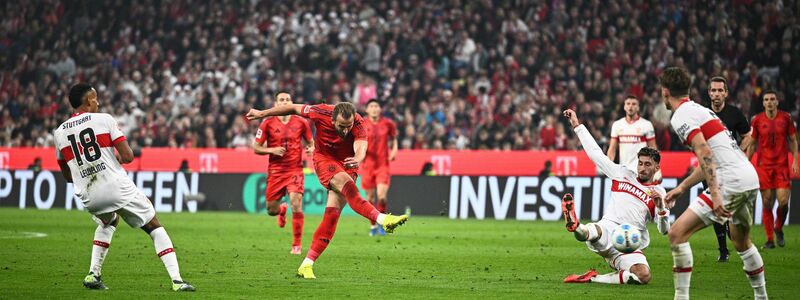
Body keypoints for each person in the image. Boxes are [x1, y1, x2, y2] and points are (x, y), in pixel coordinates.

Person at [54, 83, 194, 291]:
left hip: (89, 195)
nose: (98, 102)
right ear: (88, 101)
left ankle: (93, 274)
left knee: (108, 221)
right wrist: (114, 158)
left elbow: (67, 174)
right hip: (116, 187)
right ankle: (177, 280)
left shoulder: (59, 133)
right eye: (95, 98)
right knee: (153, 225)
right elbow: (128, 156)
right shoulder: (105, 120)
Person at [246, 101, 408, 279]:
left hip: (349, 162)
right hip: (325, 159)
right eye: (341, 126)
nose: (345, 130)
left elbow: (361, 148)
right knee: (350, 188)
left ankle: (306, 265)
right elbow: (293, 107)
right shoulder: (319, 112)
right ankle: (383, 219)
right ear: (332, 119)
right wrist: (263, 113)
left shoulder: (360, 123)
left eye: (349, 126)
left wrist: (357, 158)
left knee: (331, 217)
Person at [660, 67, 767, 300]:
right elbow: (712, 156)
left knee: (677, 234)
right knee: (741, 242)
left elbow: (704, 150)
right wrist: (682, 187)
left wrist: (715, 193)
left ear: (665, 92)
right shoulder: (701, 110)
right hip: (748, 177)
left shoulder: (680, 116)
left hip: (730, 181)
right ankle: (762, 297)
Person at [561, 109, 669, 285]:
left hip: (631, 243)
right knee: (591, 232)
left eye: (647, 164)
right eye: (640, 163)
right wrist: (577, 126)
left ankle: (592, 279)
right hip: (609, 228)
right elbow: (596, 154)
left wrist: (662, 208)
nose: (642, 168)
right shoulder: (622, 174)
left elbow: (664, 230)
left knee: (643, 276)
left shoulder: (659, 193)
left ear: (656, 168)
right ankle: (576, 226)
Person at [253, 91, 314, 254]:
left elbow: (311, 142)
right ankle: (281, 209)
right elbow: (256, 148)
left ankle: (297, 245)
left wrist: (311, 148)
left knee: (296, 202)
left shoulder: (301, 122)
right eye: (281, 100)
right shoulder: (267, 123)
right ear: (276, 104)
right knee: (271, 210)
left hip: (295, 169)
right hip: (275, 171)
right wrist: (272, 150)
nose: (285, 102)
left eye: (288, 99)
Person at [741, 90, 798, 249]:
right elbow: (752, 143)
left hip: (781, 166)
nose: (770, 102)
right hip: (763, 166)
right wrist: (746, 161)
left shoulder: (786, 118)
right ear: (763, 103)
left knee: (783, 201)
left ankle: (778, 227)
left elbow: (793, 140)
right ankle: (770, 239)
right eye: (766, 99)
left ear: (777, 102)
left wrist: (794, 160)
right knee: (766, 202)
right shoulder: (757, 120)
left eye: (772, 99)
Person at [704, 76, 753, 262]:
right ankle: (723, 250)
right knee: (714, 207)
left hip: (730, 169)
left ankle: (736, 235)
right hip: (710, 167)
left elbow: (747, 135)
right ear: (709, 93)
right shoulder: (703, 114)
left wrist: (738, 152)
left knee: (730, 208)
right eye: (713, 90)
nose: (716, 94)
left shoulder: (734, 114)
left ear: (725, 93)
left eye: (719, 90)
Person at [360, 99, 398, 236]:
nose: (374, 108)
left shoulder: (388, 123)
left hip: (383, 165)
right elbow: (356, 140)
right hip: (367, 165)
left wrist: (394, 151)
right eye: (371, 106)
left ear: (380, 109)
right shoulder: (362, 123)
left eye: (376, 106)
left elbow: (394, 139)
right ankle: (373, 226)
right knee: (369, 199)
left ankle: (382, 224)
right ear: (367, 110)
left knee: (381, 197)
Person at [607, 95, 657, 172]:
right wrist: (608, 165)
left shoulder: (646, 125)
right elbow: (612, 149)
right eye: (628, 103)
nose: (630, 106)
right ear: (624, 107)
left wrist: (654, 168)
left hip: (641, 170)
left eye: (634, 104)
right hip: (624, 170)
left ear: (638, 107)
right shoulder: (617, 125)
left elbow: (653, 148)